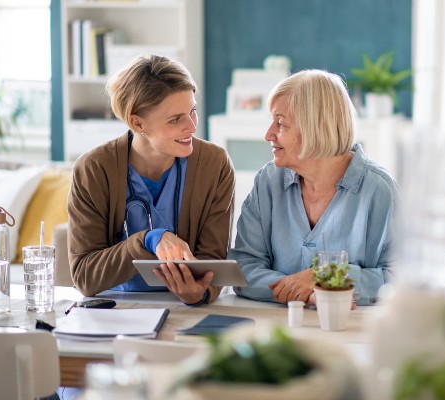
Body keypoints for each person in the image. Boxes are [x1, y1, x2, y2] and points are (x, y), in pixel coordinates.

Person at [67, 54, 235, 305]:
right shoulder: (93, 169)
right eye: (175, 119)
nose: (191, 126)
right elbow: (84, 275)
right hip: (115, 309)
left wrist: (200, 292)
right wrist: (148, 240)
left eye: (193, 112)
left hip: (185, 309)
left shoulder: (214, 165)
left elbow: (213, 262)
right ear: (137, 122)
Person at [228, 69, 398, 307]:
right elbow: (244, 266)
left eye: (280, 123)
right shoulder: (268, 181)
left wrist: (325, 276)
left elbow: (400, 278)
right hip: (277, 325)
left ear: (315, 127)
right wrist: (307, 292)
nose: (268, 134)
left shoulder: (380, 191)